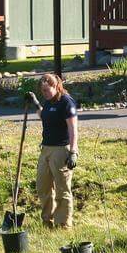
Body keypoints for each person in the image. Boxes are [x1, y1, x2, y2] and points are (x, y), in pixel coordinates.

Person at [35, 73, 78, 229]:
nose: (44, 94)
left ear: (56, 86)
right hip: (45, 148)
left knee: (62, 188)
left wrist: (73, 151)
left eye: (47, 90)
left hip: (61, 149)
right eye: (42, 91)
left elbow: (73, 128)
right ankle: (47, 220)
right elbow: (46, 117)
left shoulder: (66, 102)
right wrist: (35, 104)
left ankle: (63, 225)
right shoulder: (47, 102)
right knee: (43, 186)